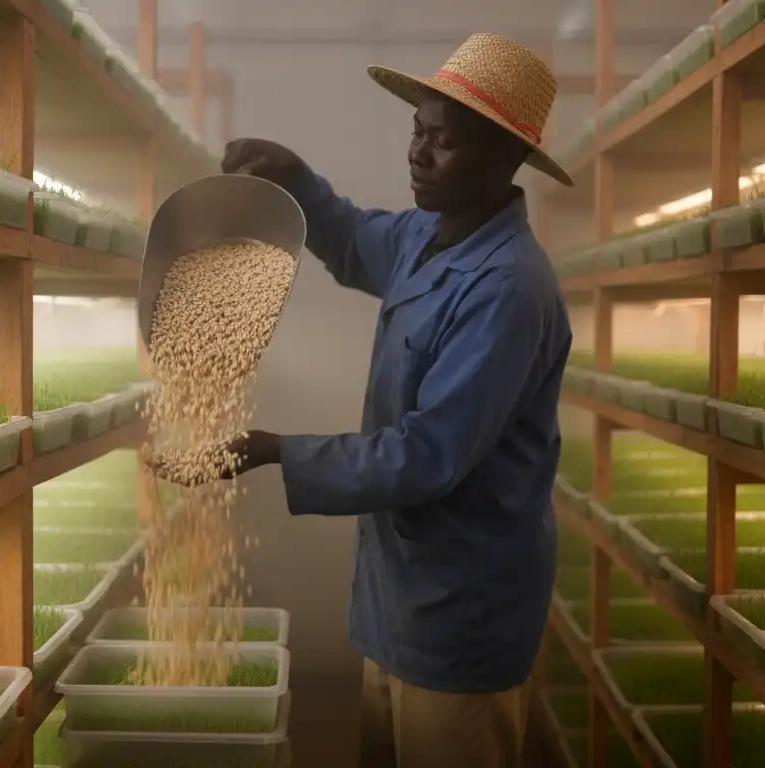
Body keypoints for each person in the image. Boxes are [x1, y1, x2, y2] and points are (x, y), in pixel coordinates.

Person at [156, 32, 574, 768]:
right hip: (398, 600)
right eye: (419, 132)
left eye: (444, 142)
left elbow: (425, 456)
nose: (419, 153)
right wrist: (297, 179)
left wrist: (278, 450)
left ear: (505, 160)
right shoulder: (428, 237)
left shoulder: (508, 289)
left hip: (461, 615)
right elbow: (352, 239)